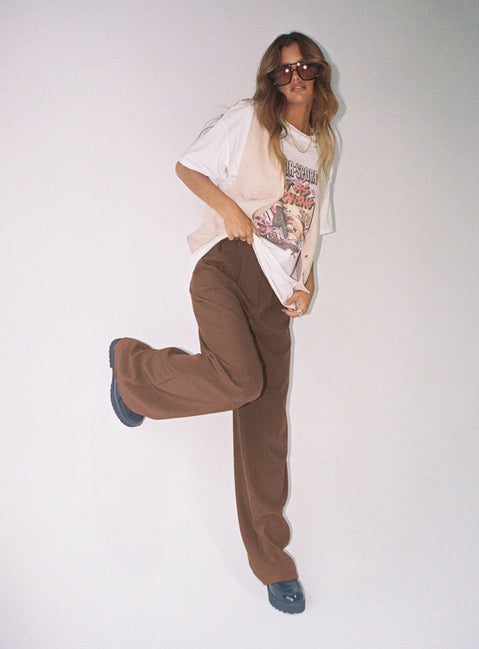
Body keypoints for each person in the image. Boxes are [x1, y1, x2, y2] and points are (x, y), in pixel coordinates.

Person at [109, 31, 338, 614]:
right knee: (240, 380)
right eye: (284, 70)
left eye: (305, 68)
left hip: (275, 298)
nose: (296, 78)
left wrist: (307, 281)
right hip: (229, 269)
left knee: (266, 433)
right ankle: (132, 369)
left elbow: (310, 227)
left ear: (319, 74)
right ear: (271, 79)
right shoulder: (250, 120)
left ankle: (274, 563)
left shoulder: (321, 148)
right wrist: (230, 209)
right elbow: (188, 167)